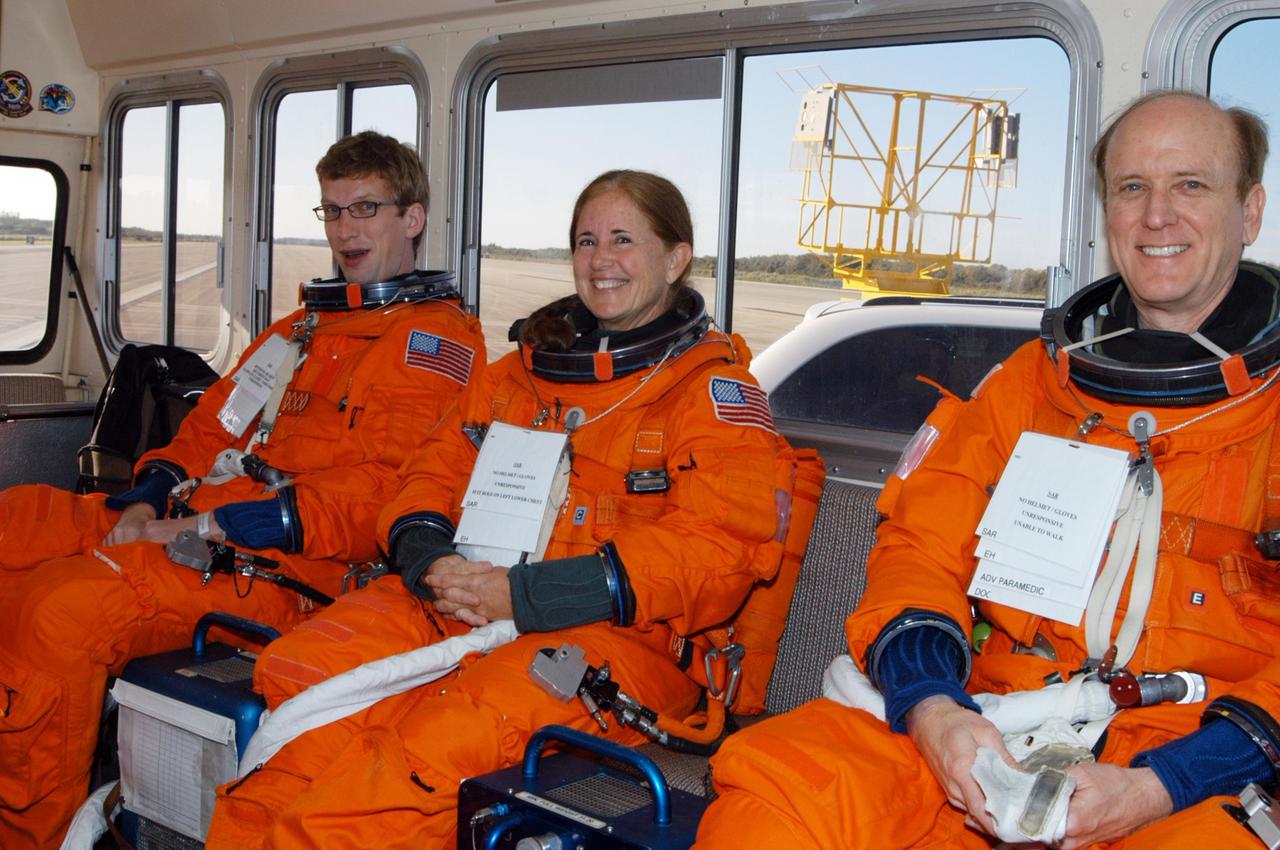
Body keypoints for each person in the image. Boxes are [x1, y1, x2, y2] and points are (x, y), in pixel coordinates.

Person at [694, 90, 1280, 849]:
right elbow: (920, 550)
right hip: (997, 714)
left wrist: (1160, 784)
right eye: (1132, 187)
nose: (1156, 215)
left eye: (1190, 184)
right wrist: (932, 707)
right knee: (772, 804)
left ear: (1249, 211)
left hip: (1204, 756)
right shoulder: (1031, 384)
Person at [205, 169, 821, 850]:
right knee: (304, 678)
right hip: (467, 595)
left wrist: (525, 596)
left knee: (428, 752)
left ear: (676, 259)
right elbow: (427, 474)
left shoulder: (713, 395)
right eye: (586, 241)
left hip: (617, 641)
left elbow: (716, 552)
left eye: (623, 239)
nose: (601, 259)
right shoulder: (518, 378)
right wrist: (429, 560)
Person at [0, 130, 485, 849]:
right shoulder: (300, 330)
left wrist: (204, 530)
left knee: (59, 610)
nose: (346, 230)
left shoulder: (433, 345)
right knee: (14, 523)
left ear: (411, 218)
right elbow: (210, 429)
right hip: (193, 522)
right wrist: (146, 498)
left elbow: (384, 495)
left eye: (365, 209)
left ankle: (30, 835)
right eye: (332, 211)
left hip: (286, 569)